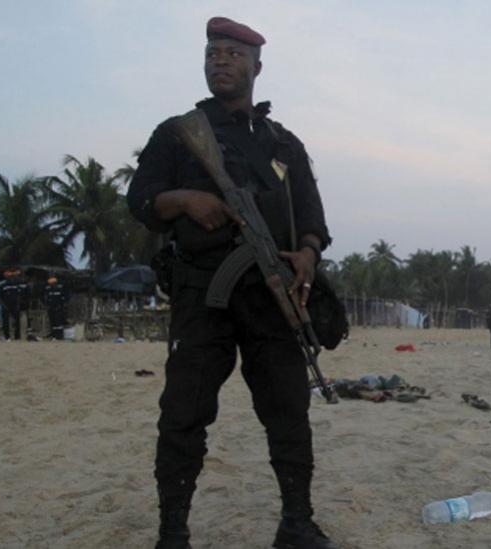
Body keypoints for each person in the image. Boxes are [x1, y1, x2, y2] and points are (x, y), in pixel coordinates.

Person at [126, 16, 335, 549]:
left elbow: (313, 218)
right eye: (213, 51)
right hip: (203, 295)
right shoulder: (178, 134)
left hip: (272, 295)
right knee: (184, 412)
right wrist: (185, 200)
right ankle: (172, 532)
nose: (221, 59)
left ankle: (296, 523)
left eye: (234, 53)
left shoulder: (284, 144)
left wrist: (307, 254)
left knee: (289, 410)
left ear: (257, 67)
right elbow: (140, 200)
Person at [0, 268, 30, 341]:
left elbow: (19, 295)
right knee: (6, 323)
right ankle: (7, 337)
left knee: (17, 322)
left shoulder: (17, 285)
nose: (10, 277)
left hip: (15, 306)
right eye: (8, 276)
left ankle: (17, 337)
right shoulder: (2, 286)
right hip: (6, 307)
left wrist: (18, 304)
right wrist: (4, 306)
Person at [42, 275, 69, 340]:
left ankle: (59, 336)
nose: (51, 285)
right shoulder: (47, 287)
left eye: (52, 283)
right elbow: (45, 296)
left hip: (58, 307)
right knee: (52, 322)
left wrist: (62, 304)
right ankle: (54, 335)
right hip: (50, 307)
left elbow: (66, 296)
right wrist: (46, 304)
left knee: (58, 322)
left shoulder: (61, 287)